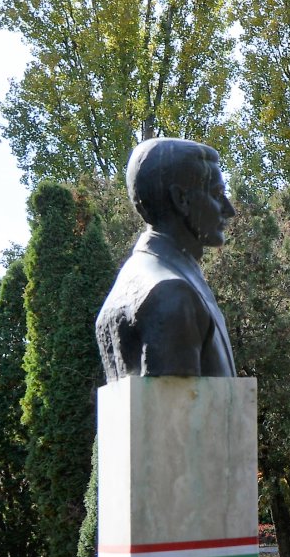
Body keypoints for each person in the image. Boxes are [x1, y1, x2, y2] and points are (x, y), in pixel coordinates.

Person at [95, 138, 238, 383]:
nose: (229, 209)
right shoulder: (171, 293)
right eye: (217, 194)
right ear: (181, 199)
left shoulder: (150, 276)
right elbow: (178, 415)